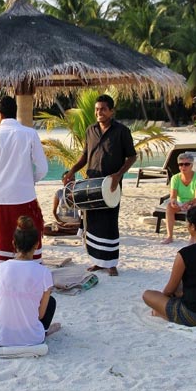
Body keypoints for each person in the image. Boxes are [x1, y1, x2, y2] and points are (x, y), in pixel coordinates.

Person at [63, 94, 137, 276]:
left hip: (111, 185)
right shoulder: (90, 130)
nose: (99, 112)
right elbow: (85, 156)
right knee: (93, 223)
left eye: (103, 109)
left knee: (110, 223)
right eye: (97, 109)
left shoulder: (122, 131)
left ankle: (111, 263)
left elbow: (132, 156)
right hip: (92, 183)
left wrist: (118, 175)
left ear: (111, 111)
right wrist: (72, 171)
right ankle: (97, 261)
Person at [0, 96, 48, 270]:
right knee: (29, 238)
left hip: (1, 197)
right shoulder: (29, 133)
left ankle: (2, 275)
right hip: (25, 196)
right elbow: (42, 168)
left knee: (3, 241)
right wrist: (29, 180)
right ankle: (31, 271)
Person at [142, 205, 196, 328]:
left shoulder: (185, 253)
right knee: (183, 288)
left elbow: (169, 290)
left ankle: (163, 314)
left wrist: (163, 304)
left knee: (148, 295)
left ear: (192, 226)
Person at [0, 216, 59, 346]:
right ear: (36, 244)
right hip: (32, 338)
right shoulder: (44, 272)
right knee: (50, 302)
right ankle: (45, 331)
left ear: (14, 243)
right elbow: (40, 315)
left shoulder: (0, 268)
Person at [161, 152, 196, 245]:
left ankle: (192, 237)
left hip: (195, 202)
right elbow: (173, 195)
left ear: (191, 165)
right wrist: (173, 201)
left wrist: (189, 203)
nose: (183, 167)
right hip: (181, 202)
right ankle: (169, 236)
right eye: (181, 164)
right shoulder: (175, 178)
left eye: (186, 164)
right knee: (169, 207)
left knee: (193, 208)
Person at [44, 171, 81, 236]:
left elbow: (83, 211)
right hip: (61, 223)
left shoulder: (78, 193)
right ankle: (67, 231)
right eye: (68, 178)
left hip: (74, 223)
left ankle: (63, 232)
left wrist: (80, 222)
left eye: (73, 178)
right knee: (45, 228)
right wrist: (59, 221)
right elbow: (54, 211)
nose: (71, 180)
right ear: (63, 181)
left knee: (81, 228)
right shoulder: (59, 192)